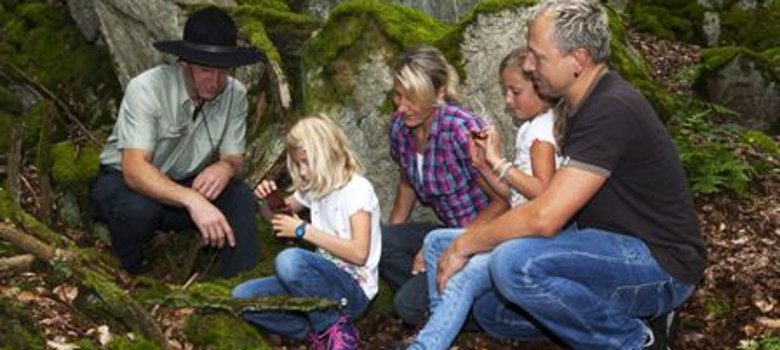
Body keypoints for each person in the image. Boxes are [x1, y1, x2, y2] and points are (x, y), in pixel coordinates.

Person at [435, 0, 707, 349]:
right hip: (610, 245)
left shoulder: (610, 109)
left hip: (661, 265)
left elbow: (546, 215)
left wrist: (464, 244)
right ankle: (631, 319)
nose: (529, 66)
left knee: (513, 265)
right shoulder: (584, 104)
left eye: (538, 56)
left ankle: (636, 341)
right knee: (492, 313)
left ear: (577, 60)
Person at [90, 7, 264, 278]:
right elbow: (134, 170)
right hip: (124, 185)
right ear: (185, 63)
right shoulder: (147, 88)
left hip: (182, 188)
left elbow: (235, 159)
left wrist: (226, 167)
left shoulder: (235, 94)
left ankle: (240, 287)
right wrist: (193, 201)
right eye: (206, 70)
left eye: (223, 72)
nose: (216, 82)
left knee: (240, 196)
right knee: (140, 209)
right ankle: (126, 273)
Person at [409, 47, 562, 350]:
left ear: (541, 87)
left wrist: (499, 161)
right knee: (435, 242)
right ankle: (439, 323)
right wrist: (483, 164)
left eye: (514, 91)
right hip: (518, 228)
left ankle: (428, 344)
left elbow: (544, 194)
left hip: (532, 237)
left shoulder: (542, 132)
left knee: (464, 276)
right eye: (505, 91)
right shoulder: (531, 128)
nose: (507, 100)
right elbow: (514, 194)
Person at [381, 45, 508, 326]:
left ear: (438, 94)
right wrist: (391, 237)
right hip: (446, 231)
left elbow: (502, 202)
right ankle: (443, 298)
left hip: (484, 237)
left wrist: (452, 247)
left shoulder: (460, 130)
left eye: (413, 99)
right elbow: (406, 183)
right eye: (398, 96)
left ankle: (474, 310)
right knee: (381, 241)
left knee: (406, 306)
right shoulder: (400, 127)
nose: (402, 107)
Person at [232, 116, 382, 350]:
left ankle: (337, 329)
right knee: (243, 297)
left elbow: (359, 253)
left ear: (326, 153)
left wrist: (303, 230)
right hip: (317, 286)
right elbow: (277, 217)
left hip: (352, 290)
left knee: (289, 261)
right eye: (297, 164)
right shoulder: (314, 187)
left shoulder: (357, 189)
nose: (302, 171)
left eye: (306, 162)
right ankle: (318, 333)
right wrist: (266, 201)